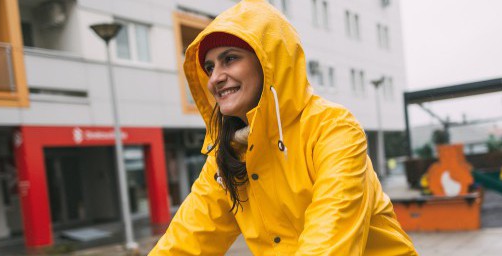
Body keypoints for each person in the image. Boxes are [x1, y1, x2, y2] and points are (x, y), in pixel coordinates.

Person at [150, 0, 417, 255]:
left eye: (230, 59)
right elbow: (188, 237)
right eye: (210, 67)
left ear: (269, 62)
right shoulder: (228, 155)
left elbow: (331, 233)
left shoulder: (333, 129)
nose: (215, 79)